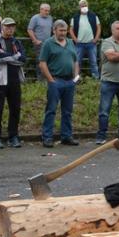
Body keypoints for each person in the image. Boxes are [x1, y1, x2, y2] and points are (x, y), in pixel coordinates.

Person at [39, 20, 80, 148]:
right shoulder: (48, 44)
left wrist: (76, 78)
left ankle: (66, 136)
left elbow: (75, 61)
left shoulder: (70, 42)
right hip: (56, 80)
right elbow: (42, 63)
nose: (63, 33)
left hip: (69, 81)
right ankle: (47, 137)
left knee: (67, 111)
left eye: (65, 30)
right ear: (54, 30)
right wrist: (50, 79)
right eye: (60, 30)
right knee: (51, 110)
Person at [0, 18, 26, 149]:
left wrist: (10, 57)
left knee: (15, 109)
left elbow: (23, 59)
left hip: (15, 81)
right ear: (2, 27)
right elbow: (0, 57)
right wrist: (15, 56)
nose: (10, 29)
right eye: (7, 26)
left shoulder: (17, 42)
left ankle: (13, 136)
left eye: (12, 27)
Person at [69, 0, 101, 79]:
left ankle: (96, 79)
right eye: (82, 6)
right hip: (79, 44)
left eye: (85, 5)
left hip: (91, 43)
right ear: (79, 7)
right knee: (77, 62)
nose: (84, 7)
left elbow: (99, 27)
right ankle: (76, 79)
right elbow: (70, 29)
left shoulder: (94, 16)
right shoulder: (75, 17)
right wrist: (75, 40)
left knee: (93, 62)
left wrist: (96, 38)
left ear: (88, 6)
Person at [27, 3, 54, 81]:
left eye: (48, 11)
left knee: (48, 62)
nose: (47, 12)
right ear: (41, 10)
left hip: (48, 44)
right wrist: (35, 40)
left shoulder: (50, 18)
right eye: (45, 11)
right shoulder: (35, 18)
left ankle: (48, 80)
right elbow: (29, 29)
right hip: (39, 44)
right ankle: (40, 81)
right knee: (40, 62)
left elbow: (52, 30)